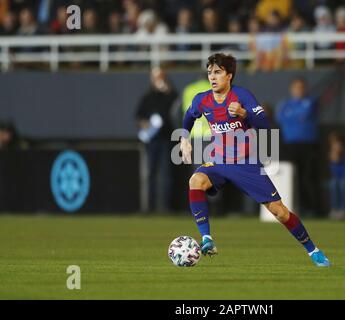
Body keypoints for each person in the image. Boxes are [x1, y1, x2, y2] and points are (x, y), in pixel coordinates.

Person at [180, 53, 330, 267]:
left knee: (279, 211)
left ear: (229, 76)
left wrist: (243, 114)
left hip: (246, 164)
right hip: (219, 161)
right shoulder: (202, 100)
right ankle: (207, 239)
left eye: (218, 72)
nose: (212, 77)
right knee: (195, 181)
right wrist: (184, 139)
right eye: (210, 72)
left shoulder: (242, 96)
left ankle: (313, 251)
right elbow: (188, 117)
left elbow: (265, 127)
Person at [275, 77, 322, 217]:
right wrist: (296, 116)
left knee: (308, 177)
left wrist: (292, 116)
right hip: (290, 145)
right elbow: (281, 118)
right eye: (296, 87)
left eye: (301, 87)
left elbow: (304, 114)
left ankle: (312, 208)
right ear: (292, 89)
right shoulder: (285, 104)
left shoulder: (311, 102)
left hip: (308, 145)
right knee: (291, 177)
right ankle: (295, 206)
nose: (299, 90)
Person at [135, 67, 178, 212]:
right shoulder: (147, 98)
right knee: (151, 174)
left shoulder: (171, 95)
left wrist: (168, 90)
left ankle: (167, 207)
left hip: (167, 139)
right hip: (152, 141)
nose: (158, 80)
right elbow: (139, 117)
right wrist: (145, 124)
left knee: (167, 174)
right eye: (155, 77)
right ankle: (150, 207)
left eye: (160, 77)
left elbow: (177, 109)